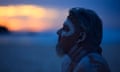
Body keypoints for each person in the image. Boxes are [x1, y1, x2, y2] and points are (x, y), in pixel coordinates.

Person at [56, 7, 110, 72]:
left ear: (81, 37)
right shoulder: (68, 62)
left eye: (65, 29)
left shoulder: (93, 66)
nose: (58, 32)